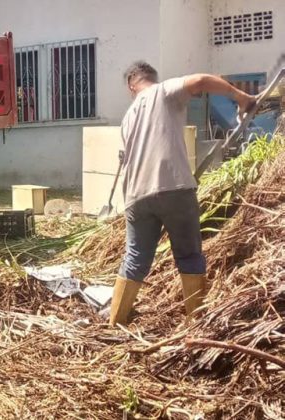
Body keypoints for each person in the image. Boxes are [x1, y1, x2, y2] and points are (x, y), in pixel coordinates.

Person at [109, 61, 256, 326]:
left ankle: (115, 322)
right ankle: (196, 323)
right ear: (152, 78)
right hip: (173, 187)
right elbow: (200, 81)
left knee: (135, 258)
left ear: (132, 85)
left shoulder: (129, 115)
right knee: (189, 256)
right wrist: (241, 97)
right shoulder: (164, 91)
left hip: (135, 197)